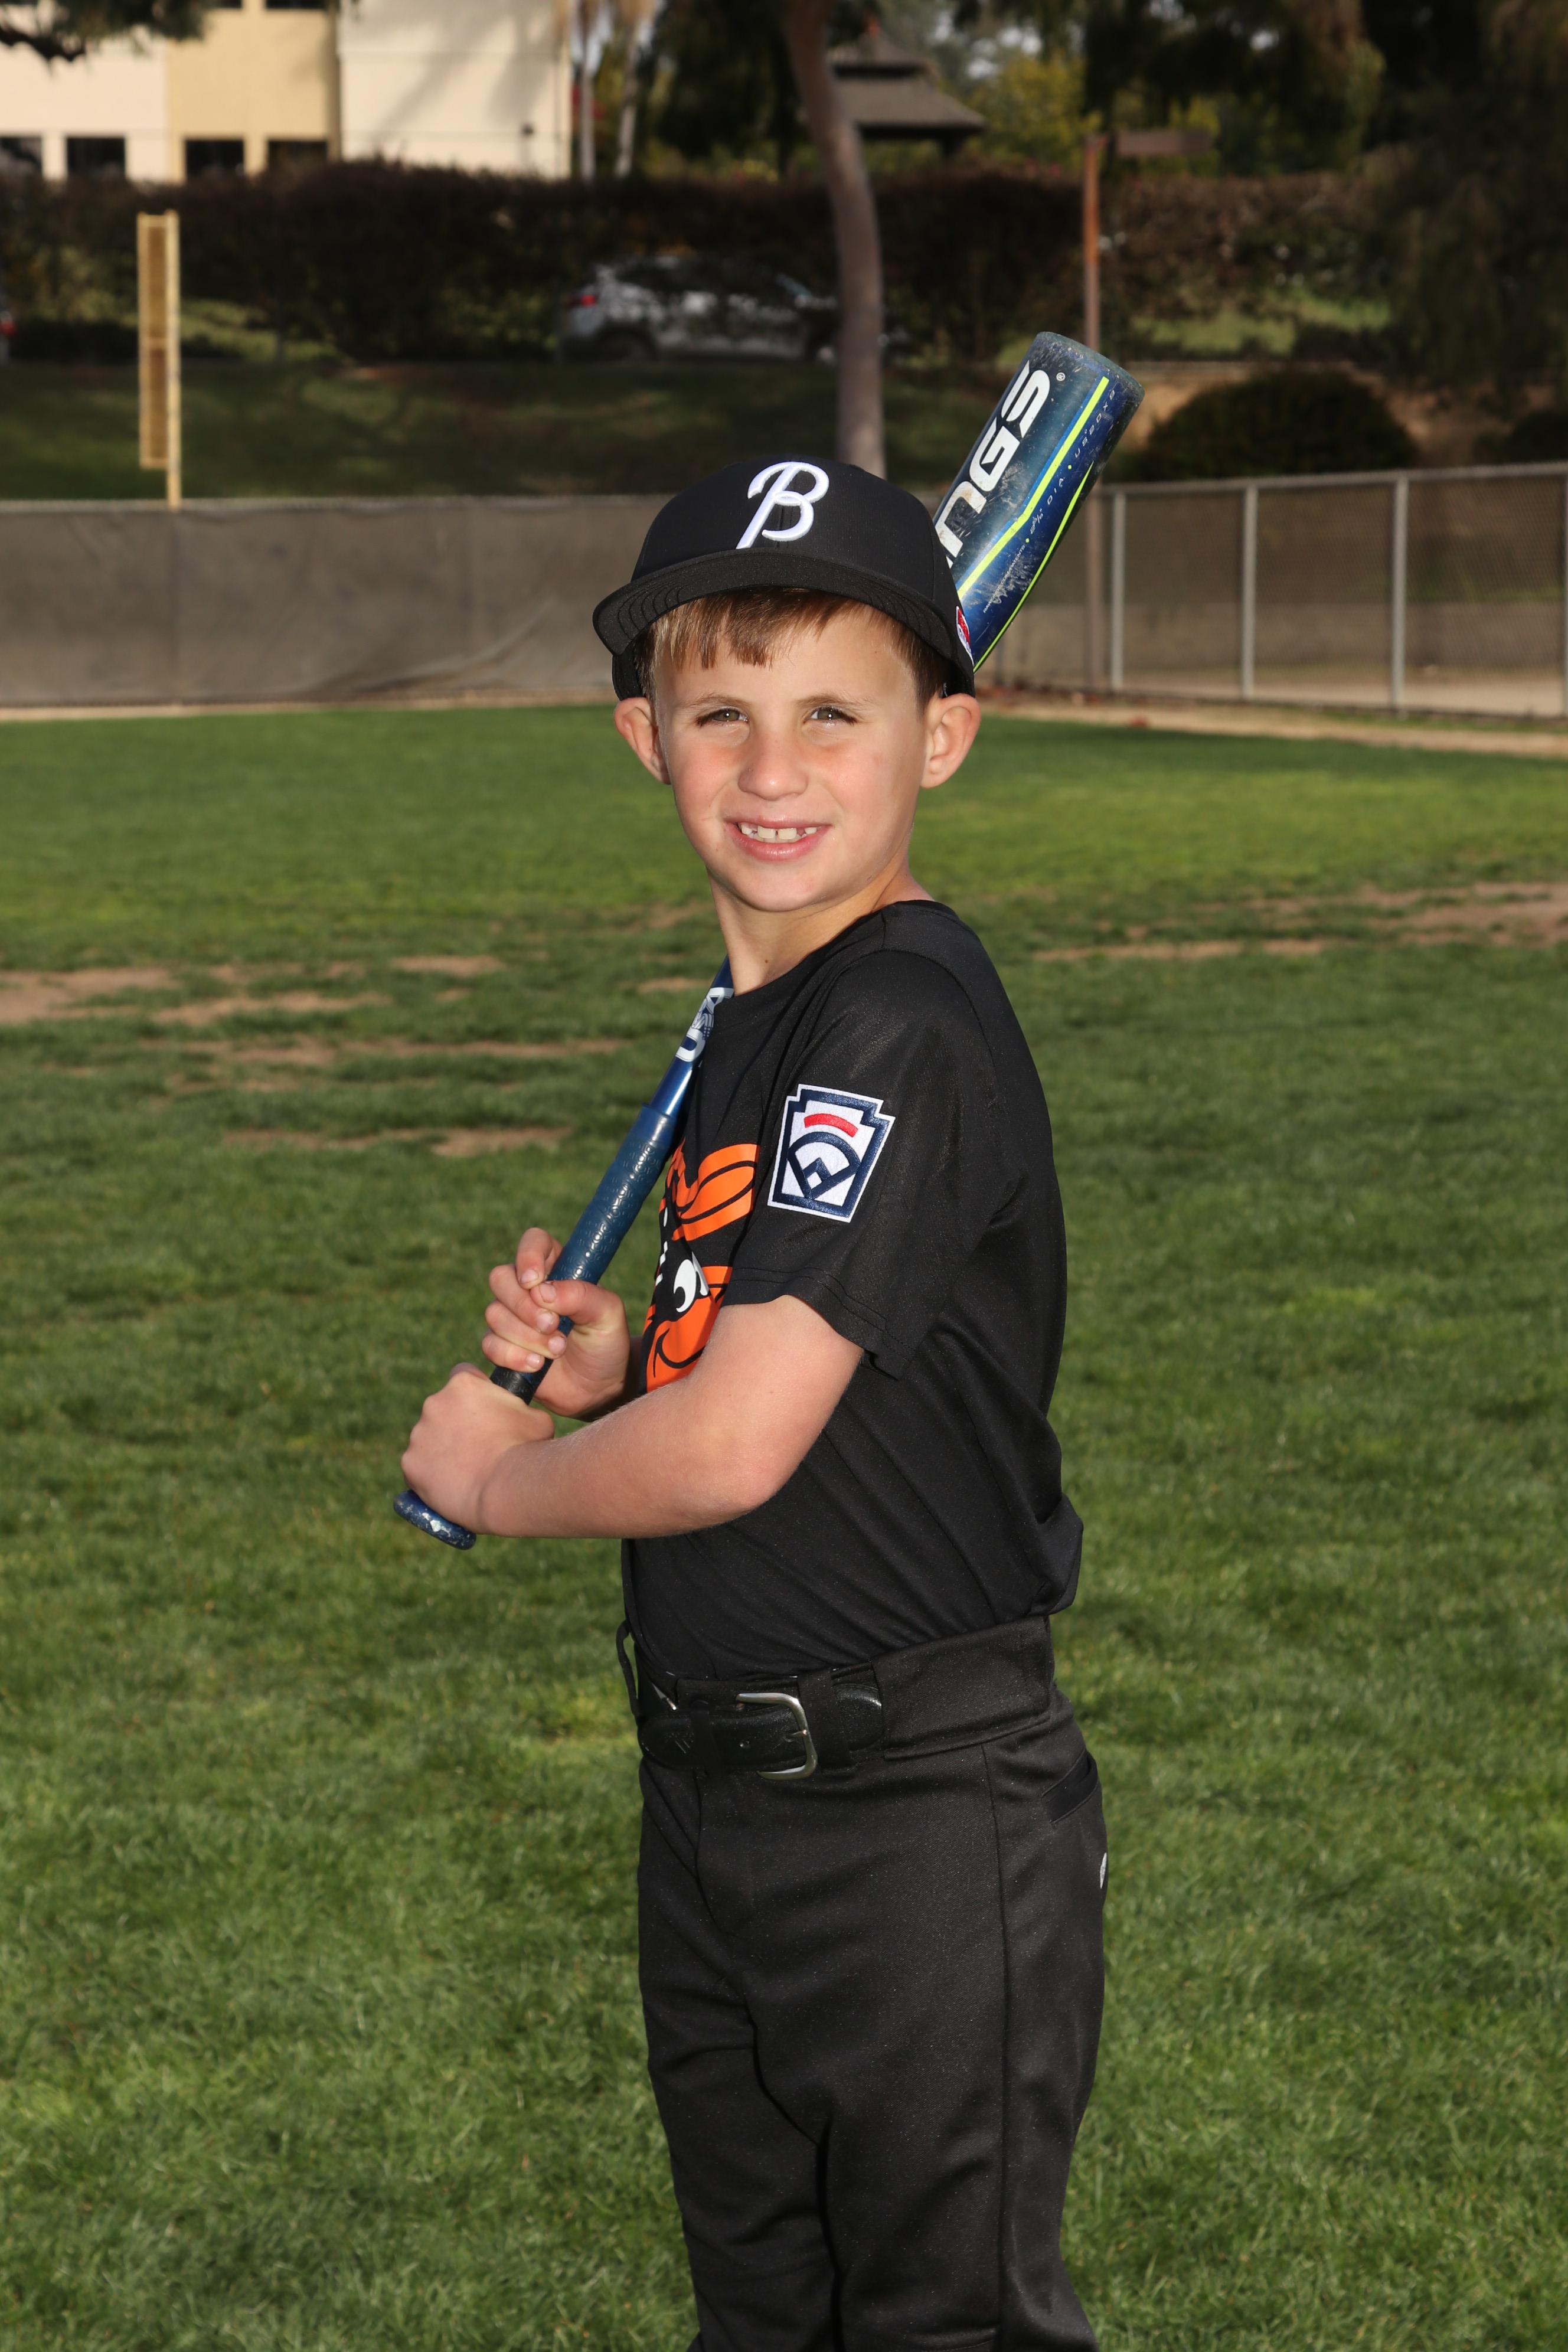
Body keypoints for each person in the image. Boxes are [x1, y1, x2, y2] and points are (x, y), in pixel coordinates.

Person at [401, 457, 1108, 2352]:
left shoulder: (895, 1020)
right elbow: (770, 1372)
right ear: (646, 738)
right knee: (767, 2317)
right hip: (723, 1802)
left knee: (940, 2322)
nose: (773, 767)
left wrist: (502, 1477)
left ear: (943, 737)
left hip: (914, 1819)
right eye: (721, 711)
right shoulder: (766, 1025)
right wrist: (632, 1361)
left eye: (834, 715)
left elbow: (732, 1450)